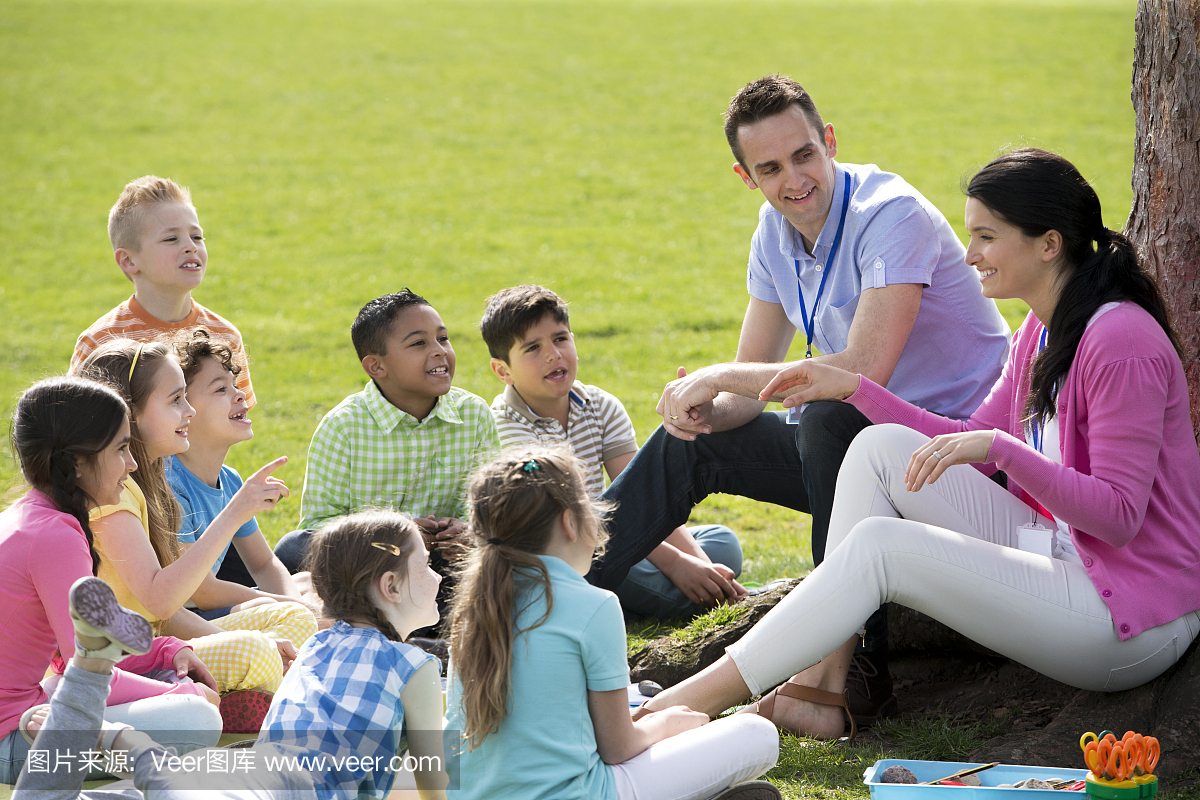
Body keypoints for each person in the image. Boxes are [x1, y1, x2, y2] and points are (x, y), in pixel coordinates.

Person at [637, 148, 1200, 741]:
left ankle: (680, 706)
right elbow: (956, 440)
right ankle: (821, 689)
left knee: (885, 545)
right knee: (879, 450)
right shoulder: (1038, 330)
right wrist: (854, 387)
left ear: (1049, 243)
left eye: (986, 236)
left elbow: (1117, 517)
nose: (969, 254)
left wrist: (1003, 451)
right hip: (1062, 557)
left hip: (1129, 620)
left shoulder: (1120, 341)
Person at [593, 74, 1011, 720]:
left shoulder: (889, 214)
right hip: (859, 453)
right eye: (770, 168)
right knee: (697, 443)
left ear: (830, 142)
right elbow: (749, 392)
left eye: (804, 155)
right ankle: (542, 604)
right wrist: (702, 407)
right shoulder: (773, 231)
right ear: (746, 177)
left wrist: (715, 375)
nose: (794, 179)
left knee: (825, 414)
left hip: (956, 464)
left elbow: (861, 372)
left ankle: (852, 666)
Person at [446, 447, 781, 800]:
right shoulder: (594, 605)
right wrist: (665, 724)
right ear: (569, 522)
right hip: (583, 793)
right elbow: (618, 749)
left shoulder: (471, 610)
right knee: (756, 734)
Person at [74, 340, 317, 731]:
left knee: (293, 618)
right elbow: (166, 602)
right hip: (134, 654)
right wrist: (238, 508)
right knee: (258, 653)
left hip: (162, 642)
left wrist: (248, 627)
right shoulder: (118, 497)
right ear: (129, 413)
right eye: (176, 400)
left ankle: (240, 697)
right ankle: (233, 697)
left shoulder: (147, 485)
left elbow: (174, 611)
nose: (187, 411)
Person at [1, 377, 220, 785]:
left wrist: (165, 652)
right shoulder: (54, 536)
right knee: (198, 718)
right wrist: (180, 696)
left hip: (25, 712)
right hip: (16, 739)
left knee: (173, 690)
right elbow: (84, 671)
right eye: (121, 449)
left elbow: (79, 657)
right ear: (77, 462)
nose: (133, 464)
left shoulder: (30, 516)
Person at [481, 284, 746, 619]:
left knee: (722, 542)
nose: (553, 354)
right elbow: (571, 524)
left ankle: (642, 598)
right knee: (624, 565)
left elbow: (648, 496)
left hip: (613, 535)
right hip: (557, 555)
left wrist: (699, 565)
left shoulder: (600, 406)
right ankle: (636, 601)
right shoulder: (505, 426)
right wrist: (677, 564)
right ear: (502, 370)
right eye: (532, 348)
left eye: (560, 338)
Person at [71, 174, 260, 590]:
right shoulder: (102, 341)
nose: (191, 246)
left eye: (197, 235)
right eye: (171, 239)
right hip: (128, 516)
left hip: (201, 510)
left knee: (271, 580)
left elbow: (230, 421)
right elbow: (79, 445)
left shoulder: (222, 333)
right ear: (128, 260)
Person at [274, 290, 500, 632]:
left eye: (443, 338)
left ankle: (441, 636)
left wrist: (467, 531)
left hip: (439, 567)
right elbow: (321, 527)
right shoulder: (344, 426)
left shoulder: (474, 415)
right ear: (376, 366)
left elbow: (485, 507)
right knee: (292, 548)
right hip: (370, 569)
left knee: (503, 552)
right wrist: (397, 536)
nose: (439, 350)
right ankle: (399, 634)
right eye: (418, 344)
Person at [14, 577, 315, 800]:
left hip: (42, 713)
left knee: (199, 719)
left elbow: (79, 666)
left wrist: (108, 734)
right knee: (204, 715)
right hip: (68, 697)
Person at [259, 511, 449, 800]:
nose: (437, 576)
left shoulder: (313, 646)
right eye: (425, 564)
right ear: (392, 586)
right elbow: (433, 785)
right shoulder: (413, 666)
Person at [166, 329, 315, 615]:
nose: (239, 394)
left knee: (307, 582)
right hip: (182, 622)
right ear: (183, 408)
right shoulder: (170, 486)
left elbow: (263, 564)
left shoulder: (230, 479)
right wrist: (295, 609)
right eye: (221, 389)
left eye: (235, 385)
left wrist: (300, 607)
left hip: (211, 609)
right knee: (279, 609)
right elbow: (202, 592)